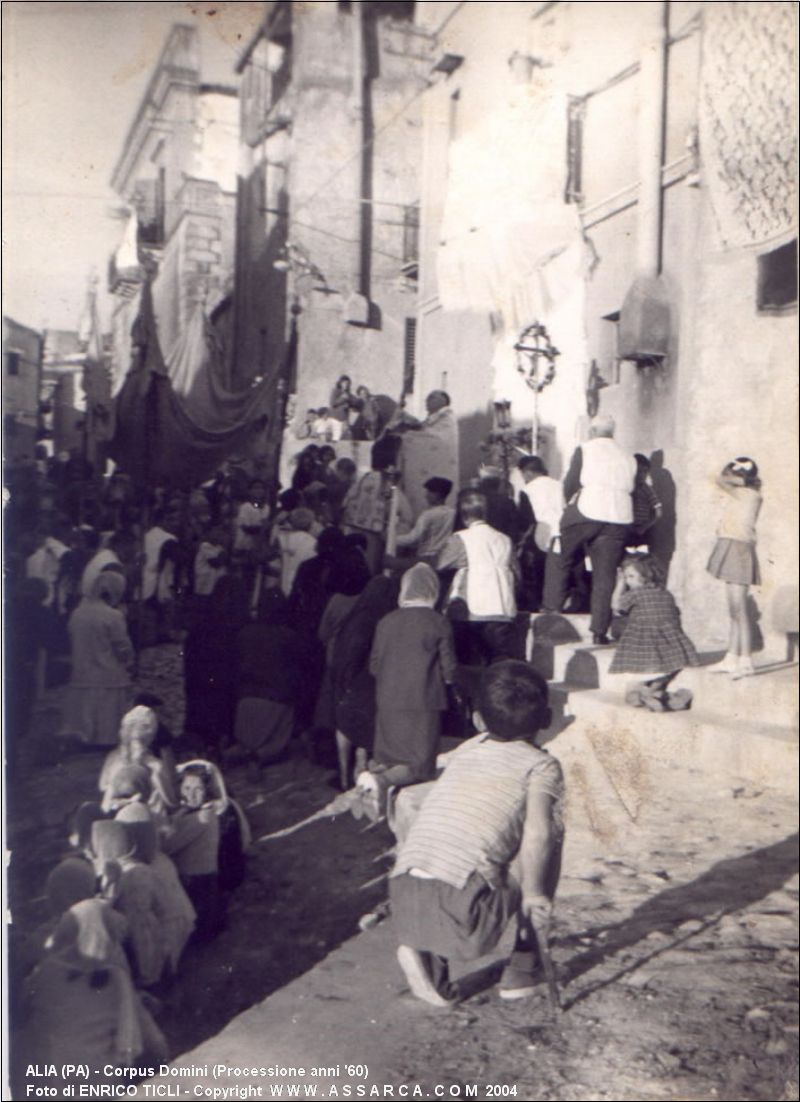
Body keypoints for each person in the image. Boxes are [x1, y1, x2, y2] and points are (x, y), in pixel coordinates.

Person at [389, 661, 564, 1005]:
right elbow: (539, 835)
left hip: (404, 898)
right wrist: (533, 894)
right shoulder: (541, 765)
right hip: (462, 917)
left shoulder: (469, 749)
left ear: (478, 721)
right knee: (550, 832)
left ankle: (431, 963)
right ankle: (524, 969)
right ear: (547, 718)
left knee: (459, 836)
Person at [17, 884, 167, 1083]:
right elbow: (154, 1044)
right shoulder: (116, 977)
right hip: (102, 1083)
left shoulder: (43, 974)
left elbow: (22, 1014)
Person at [368, 564, 457, 798]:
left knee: (390, 756)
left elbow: (374, 665)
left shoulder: (386, 621)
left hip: (387, 699)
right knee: (421, 765)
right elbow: (450, 669)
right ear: (433, 590)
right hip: (423, 702)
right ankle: (381, 781)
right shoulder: (438, 622)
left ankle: (377, 788)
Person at [558, 414, 637, 644]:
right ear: (613, 433)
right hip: (619, 516)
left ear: (592, 432)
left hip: (588, 510)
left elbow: (571, 483)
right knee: (606, 575)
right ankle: (599, 631)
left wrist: (567, 505)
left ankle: (553, 607)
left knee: (560, 555)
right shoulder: (627, 455)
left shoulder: (585, 449)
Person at [234, 590, 322, 771]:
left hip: (245, 701)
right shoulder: (289, 636)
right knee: (279, 741)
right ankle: (259, 757)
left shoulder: (245, 632)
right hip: (276, 701)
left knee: (249, 739)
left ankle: (241, 752)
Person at [332, 576, 400, 791]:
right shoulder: (383, 619)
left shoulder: (357, 615)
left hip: (352, 681)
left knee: (347, 726)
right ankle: (359, 770)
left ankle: (344, 776)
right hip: (368, 682)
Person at [437, 490, 520, 665]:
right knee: (498, 661)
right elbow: (517, 574)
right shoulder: (505, 539)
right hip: (502, 608)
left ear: (463, 516)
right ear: (485, 513)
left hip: (471, 610)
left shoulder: (461, 538)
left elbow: (441, 564)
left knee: (466, 661)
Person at [114, 802, 195, 976]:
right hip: (184, 921)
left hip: (169, 934)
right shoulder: (159, 858)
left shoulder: (139, 873)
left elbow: (142, 927)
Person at [609, 554, 699, 709]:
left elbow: (616, 606)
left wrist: (620, 584)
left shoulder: (635, 594)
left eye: (631, 576)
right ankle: (656, 691)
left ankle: (645, 693)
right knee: (668, 670)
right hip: (672, 645)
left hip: (644, 646)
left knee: (637, 679)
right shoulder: (666, 593)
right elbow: (675, 616)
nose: (628, 580)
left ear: (645, 576)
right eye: (626, 577)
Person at [91, 819, 169, 988]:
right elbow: (162, 904)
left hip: (126, 934)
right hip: (149, 929)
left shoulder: (108, 877)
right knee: (151, 959)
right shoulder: (144, 871)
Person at [60, 572, 133, 747]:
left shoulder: (77, 613)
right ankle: (105, 738)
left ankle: (83, 737)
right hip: (109, 672)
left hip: (82, 671)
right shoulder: (113, 615)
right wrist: (129, 661)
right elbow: (122, 646)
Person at [706, 457, 763, 678]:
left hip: (739, 549)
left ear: (742, 476)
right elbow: (722, 480)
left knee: (740, 610)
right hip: (729, 545)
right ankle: (731, 658)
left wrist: (740, 477)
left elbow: (719, 479)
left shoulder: (751, 495)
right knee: (733, 609)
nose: (729, 477)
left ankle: (746, 661)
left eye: (734, 473)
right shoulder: (739, 494)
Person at [161, 766, 222, 941]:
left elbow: (167, 846)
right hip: (201, 884)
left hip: (197, 891)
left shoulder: (202, 817)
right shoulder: (197, 813)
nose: (191, 795)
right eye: (187, 788)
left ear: (207, 791)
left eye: (198, 789)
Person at [517, 455, 564, 612]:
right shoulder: (559, 485)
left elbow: (525, 518)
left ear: (527, 472)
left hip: (540, 532)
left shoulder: (527, 490)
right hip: (561, 531)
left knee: (536, 572)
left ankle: (537, 606)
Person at [393, 477, 455, 566]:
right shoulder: (452, 513)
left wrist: (392, 539)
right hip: (443, 559)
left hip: (426, 558)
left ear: (437, 494)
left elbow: (413, 539)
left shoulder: (428, 515)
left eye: (429, 492)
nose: (426, 496)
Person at [628, 454, 663, 549]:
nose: (642, 475)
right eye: (639, 471)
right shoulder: (627, 487)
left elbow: (658, 512)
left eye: (645, 472)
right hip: (627, 529)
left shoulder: (646, 489)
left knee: (642, 558)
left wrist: (645, 526)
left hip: (643, 531)